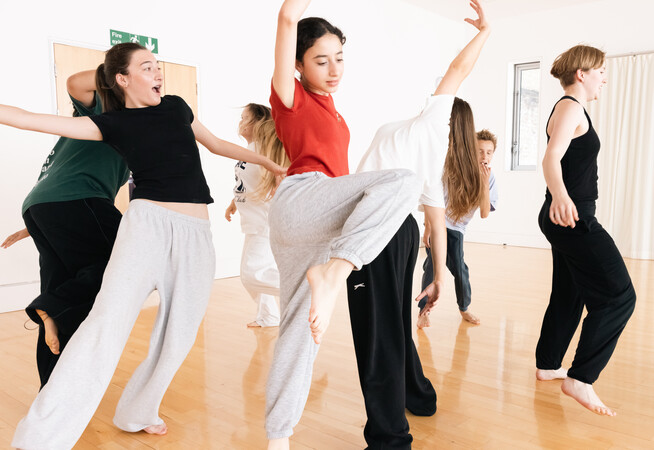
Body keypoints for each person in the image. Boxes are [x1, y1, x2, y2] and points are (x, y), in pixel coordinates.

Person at [2, 42, 285, 449]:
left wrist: (269, 163)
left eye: (157, 66)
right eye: (147, 67)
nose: (158, 73)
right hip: (147, 226)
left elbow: (216, 144)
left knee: (180, 333)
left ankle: (137, 411)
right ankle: (39, 438)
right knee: (105, 325)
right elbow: (30, 120)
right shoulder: (112, 123)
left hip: (195, 232)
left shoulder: (176, 107)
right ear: (122, 79)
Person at [266, 1, 420, 448]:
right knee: (405, 180)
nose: (333, 69)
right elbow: (287, 19)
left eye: (339, 58)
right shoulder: (289, 97)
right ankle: (335, 272)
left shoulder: (333, 109)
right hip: (304, 198)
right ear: (298, 65)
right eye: (320, 60)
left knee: (298, 332)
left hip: (314, 218)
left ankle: (277, 438)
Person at [350, 1, 489, 446]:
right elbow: (435, 216)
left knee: (376, 335)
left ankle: (389, 437)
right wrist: (440, 279)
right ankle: (418, 395)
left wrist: (484, 32)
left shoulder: (430, 126)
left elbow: (457, 69)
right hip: (402, 234)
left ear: (448, 116)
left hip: (376, 230)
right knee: (392, 325)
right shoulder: (429, 153)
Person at [1, 70, 129, 390]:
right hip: (75, 201)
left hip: (47, 207)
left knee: (67, 297)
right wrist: (123, 69)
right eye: (146, 68)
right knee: (130, 261)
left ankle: (52, 394)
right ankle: (48, 306)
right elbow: (75, 83)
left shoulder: (138, 128)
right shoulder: (105, 108)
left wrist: (42, 223)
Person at [535, 44, 636, 417]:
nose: (604, 79)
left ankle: (548, 364)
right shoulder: (570, 107)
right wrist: (561, 196)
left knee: (569, 292)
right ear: (582, 73)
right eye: (601, 71)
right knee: (620, 296)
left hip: (567, 215)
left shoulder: (571, 108)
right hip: (572, 216)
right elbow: (551, 156)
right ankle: (581, 377)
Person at [419, 128, 499, 327]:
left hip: (457, 230)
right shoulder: (454, 169)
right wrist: (427, 227)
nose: (484, 156)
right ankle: (423, 311)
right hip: (439, 223)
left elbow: (484, 213)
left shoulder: (489, 178)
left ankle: (464, 308)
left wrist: (483, 182)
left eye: (489, 152)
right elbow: (433, 199)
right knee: (431, 267)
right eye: (480, 151)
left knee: (460, 270)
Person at [225, 103, 288, 327]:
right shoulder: (249, 150)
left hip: (264, 221)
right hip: (252, 221)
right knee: (253, 273)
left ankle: (305, 288)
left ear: (257, 122)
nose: (240, 122)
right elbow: (248, 182)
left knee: (252, 274)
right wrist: (234, 202)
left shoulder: (265, 150)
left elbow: (279, 175)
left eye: (244, 117)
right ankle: (268, 316)